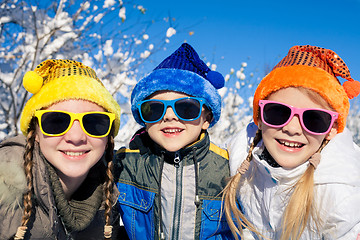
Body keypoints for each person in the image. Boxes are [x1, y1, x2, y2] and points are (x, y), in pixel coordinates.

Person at [223, 45, 360, 240]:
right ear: (260, 118)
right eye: (278, 113)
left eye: (314, 119)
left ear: (330, 129)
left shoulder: (341, 194)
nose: (292, 129)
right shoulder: (238, 158)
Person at [114, 43, 233, 239]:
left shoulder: (228, 170)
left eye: (186, 108)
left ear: (207, 119)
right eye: (154, 109)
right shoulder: (124, 165)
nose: (169, 116)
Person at [0, 59, 123, 239]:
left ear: (108, 136)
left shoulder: (111, 199)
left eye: (94, 122)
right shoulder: (4, 190)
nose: (76, 137)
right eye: (57, 121)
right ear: (35, 132)